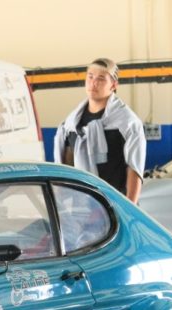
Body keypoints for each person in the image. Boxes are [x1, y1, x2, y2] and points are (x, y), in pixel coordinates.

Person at [54, 58, 146, 203]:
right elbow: (67, 166)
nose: (93, 82)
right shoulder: (71, 124)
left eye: (101, 78)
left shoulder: (127, 123)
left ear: (113, 85)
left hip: (114, 206)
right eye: (90, 77)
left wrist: (129, 209)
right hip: (81, 206)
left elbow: (134, 169)